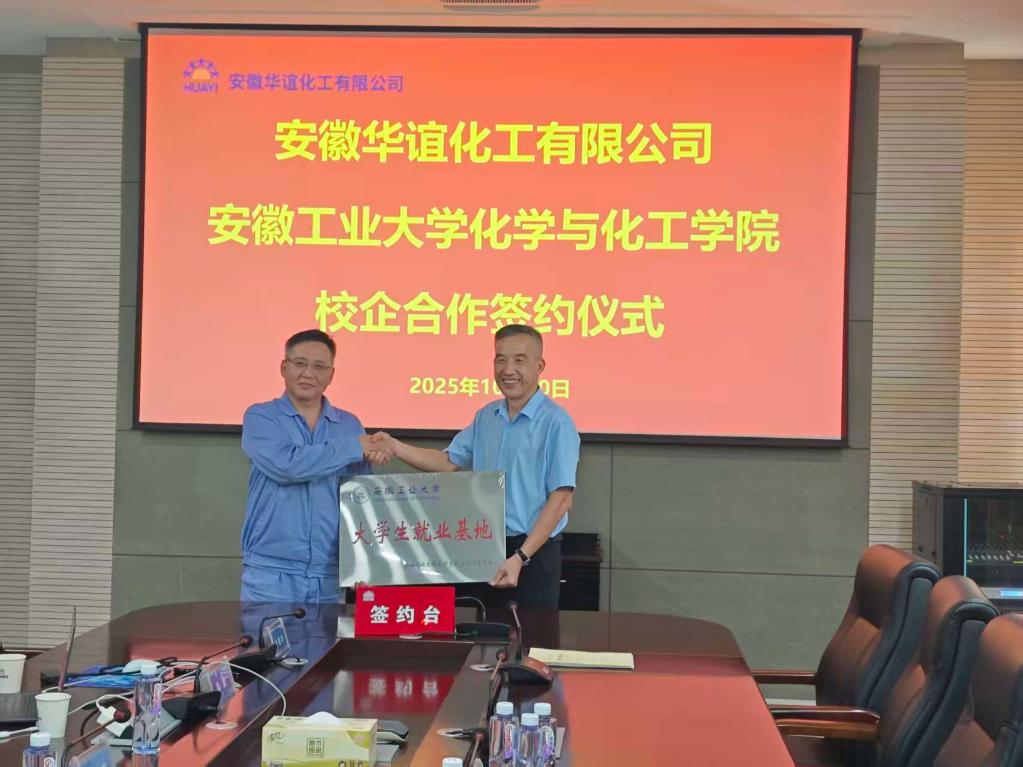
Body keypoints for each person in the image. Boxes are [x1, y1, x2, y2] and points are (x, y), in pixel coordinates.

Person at [371, 324, 580, 609]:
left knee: (531, 634)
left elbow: (561, 499)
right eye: (500, 359)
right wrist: (395, 446)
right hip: (485, 547)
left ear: (539, 366)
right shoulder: (486, 417)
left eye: (519, 360)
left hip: (533, 553)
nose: (508, 370)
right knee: (487, 631)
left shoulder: (557, 422)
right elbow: (448, 462)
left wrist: (520, 557)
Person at [239, 329, 392, 603]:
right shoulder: (261, 417)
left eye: (319, 367)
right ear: (284, 368)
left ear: (331, 375)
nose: (308, 373)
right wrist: (354, 447)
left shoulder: (350, 425)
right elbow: (287, 466)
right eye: (300, 363)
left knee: (331, 635)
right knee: (265, 634)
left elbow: (361, 499)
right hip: (271, 572)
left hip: (332, 574)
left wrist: (364, 563)